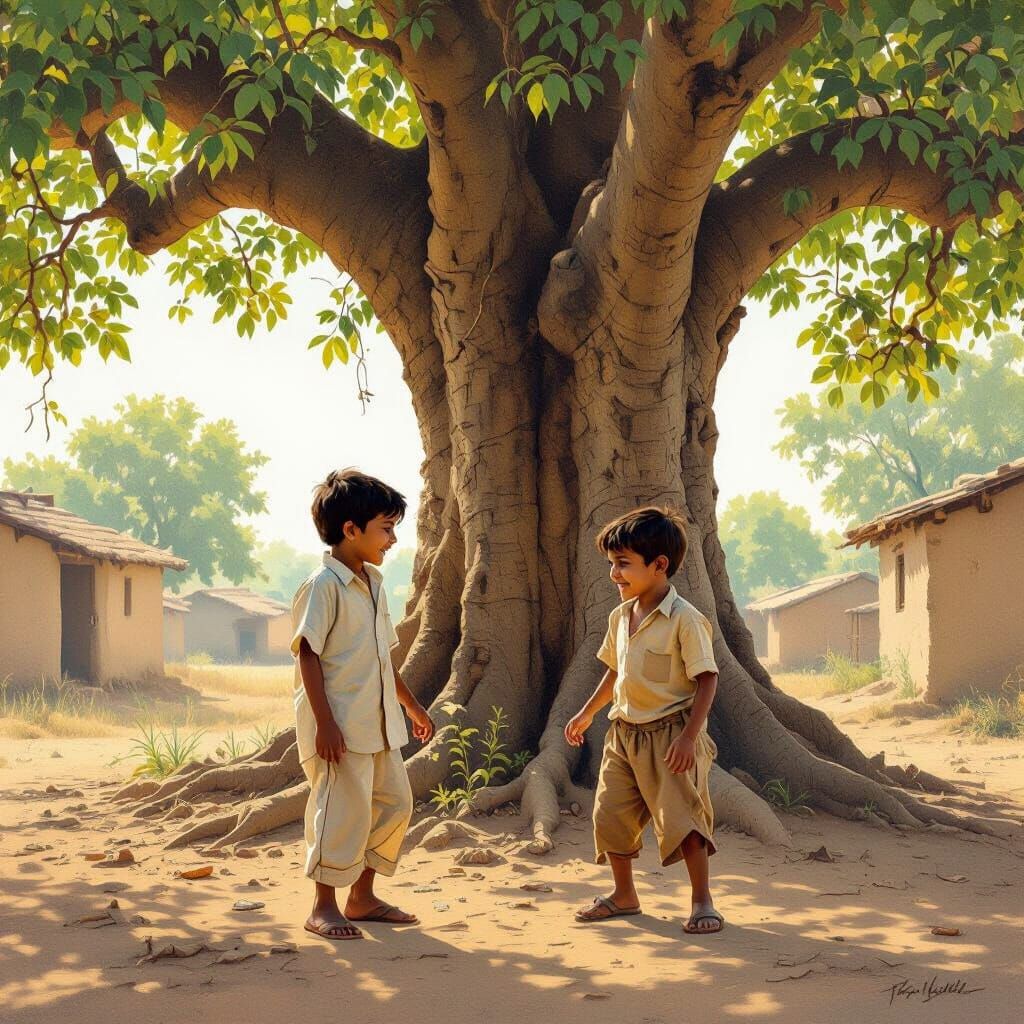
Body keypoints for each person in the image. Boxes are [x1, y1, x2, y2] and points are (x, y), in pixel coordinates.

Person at [565, 506, 724, 934]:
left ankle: (702, 901)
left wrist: (690, 738)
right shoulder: (620, 617)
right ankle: (624, 895)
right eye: (611, 564)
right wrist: (585, 713)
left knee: (684, 820)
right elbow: (615, 672)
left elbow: (707, 680)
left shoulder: (686, 620)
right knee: (609, 815)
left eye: (623, 564)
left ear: (659, 566)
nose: (614, 573)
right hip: (623, 734)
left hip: (672, 735)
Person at [291, 469, 434, 941]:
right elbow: (309, 653)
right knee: (340, 811)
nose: (393, 539)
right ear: (350, 529)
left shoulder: (372, 583)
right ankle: (323, 905)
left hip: (381, 727)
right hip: (340, 729)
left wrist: (412, 707)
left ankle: (362, 896)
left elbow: (381, 656)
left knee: (395, 804)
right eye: (386, 528)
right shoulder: (323, 586)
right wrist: (325, 724)